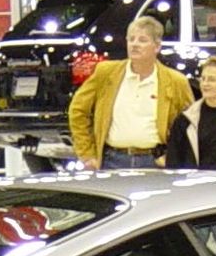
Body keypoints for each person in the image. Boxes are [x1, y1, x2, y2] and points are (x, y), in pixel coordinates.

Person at [68, 14, 192, 170]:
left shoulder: (176, 81)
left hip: (155, 162)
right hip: (111, 160)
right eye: (131, 39)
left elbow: (190, 124)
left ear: (157, 46)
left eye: (142, 40)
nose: (135, 44)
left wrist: (174, 157)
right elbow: (78, 110)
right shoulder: (106, 72)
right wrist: (87, 154)